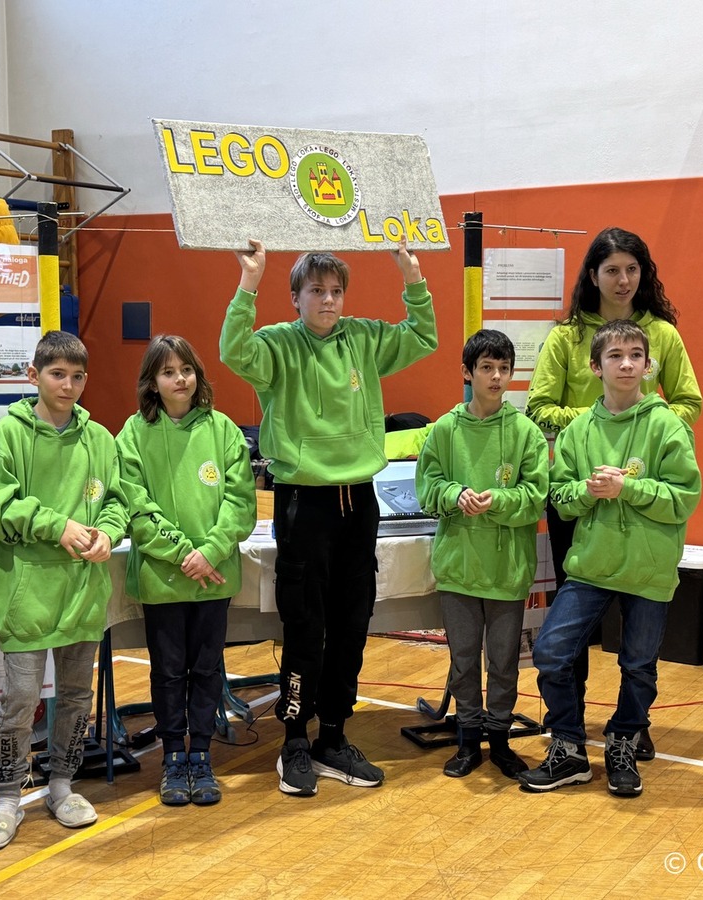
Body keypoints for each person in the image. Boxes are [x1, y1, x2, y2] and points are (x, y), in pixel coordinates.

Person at [220, 238, 437, 796]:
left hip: (359, 501)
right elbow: (233, 351)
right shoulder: (277, 345)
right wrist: (248, 283)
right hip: (304, 501)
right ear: (295, 297)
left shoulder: (363, 338)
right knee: (305, 625)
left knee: (352, 623)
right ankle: (295, 739)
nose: (328, 300)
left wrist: (413, 277)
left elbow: (423, 336)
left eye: (336, 291)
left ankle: (333, 736)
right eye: (316, 290)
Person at [525, 226, 702, 760]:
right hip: (584, 489)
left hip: (642, 496)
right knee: (569, 628)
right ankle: (569, 730)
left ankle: (629, 729)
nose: (623, 280)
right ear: (593, 275)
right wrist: (601, 421)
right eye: (612, 270)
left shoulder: (662, 334)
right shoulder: (567, 336)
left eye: (632, 269)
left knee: (640, 647)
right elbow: (538, 407)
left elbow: (689, 402)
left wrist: (637, 426)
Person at [0, 330, 128, 850]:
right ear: (33, 375)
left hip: (82, 591)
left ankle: (63, 784)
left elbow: (118, 500)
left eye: (78, 376)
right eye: (58, 374)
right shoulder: (9, 435)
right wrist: (56, 526)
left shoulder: (100, 439)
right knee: (19, 700)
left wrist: (108, 533)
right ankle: (6, 799)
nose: (68, 385)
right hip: (26, 592)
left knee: (77, 695)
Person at [116, 335, 256, 807]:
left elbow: (240, 503)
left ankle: (202, 755)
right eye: (168, 372)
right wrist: (183, 554)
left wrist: (209, 552)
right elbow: (135, 507)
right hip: (163, 579)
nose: (180, 379)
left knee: (207, 668)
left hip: (213, 577)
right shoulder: (133, 434)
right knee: (169, 671)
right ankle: (173, 755)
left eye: (187, 369)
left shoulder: (224, 430)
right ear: (152, 382)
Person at [415, 329, 548, 779]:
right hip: (459, 567)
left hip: (507, 569)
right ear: (467, 373)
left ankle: (501, 740)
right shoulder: (444, 430)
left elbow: (535, 496)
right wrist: (455, 495)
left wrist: (499, 501)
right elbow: (427, 487)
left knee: (504, 663)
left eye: (503, 368)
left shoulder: (526, 433)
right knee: (464, 660)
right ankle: (469, 740)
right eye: (486, 367)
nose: (496, 377)